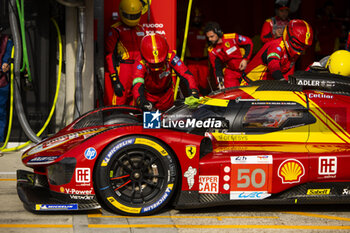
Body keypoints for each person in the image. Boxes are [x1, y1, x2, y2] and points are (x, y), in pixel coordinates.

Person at [132, 34, 199, 111]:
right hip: (148, 96)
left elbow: (186, 74)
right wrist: (141, 100)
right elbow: (137, 84)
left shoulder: (170, 55)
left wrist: (194, 92)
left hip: (166, 96)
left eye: (159, 63)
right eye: (153, 64)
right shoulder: (139, 62)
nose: (157, 68)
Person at [243, 19, 313, 83]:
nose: (300, 49)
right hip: (249, 84)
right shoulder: (276, 45)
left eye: (304, 46)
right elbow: (273, 65)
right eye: (297, 44)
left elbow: (288, 74)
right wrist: (281, 80)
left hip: (267, 86)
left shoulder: (294, 54)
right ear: (289, 36)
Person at [104, 0, 145, 106]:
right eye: (130, 16)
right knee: (119, 100)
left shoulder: (141, 29)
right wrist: (115, 79)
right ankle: (117, 122)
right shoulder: (116, 29)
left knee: (137, 100)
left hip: (138, 69)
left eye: (135, 15)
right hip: (123, 68)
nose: (132, 18)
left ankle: (134, 122)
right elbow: (110, 55)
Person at [204, 22, 253, 89]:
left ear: (218, 33)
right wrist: (220, 83)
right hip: (231, 71)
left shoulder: (232, 37)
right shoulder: (212, 50)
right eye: (208, 37)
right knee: (229, 92)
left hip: (247, 67)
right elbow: (216, 68)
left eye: (211, 36)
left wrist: (245, 60)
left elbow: (249, 43)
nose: (209, 39)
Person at [185, 8, 211, 95]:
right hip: (191, 62)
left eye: (199, 17)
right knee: (192, 84)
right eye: (195, 18)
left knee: (204, 84)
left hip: (203, 62)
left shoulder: (206, 31)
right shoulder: (186, 31)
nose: (197, 20)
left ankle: (205, 101)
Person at [0, 27, 12, 142]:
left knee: (0, 114)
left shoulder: (6, 41)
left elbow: (7, 56)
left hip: (1, 84)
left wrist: (5, 64)